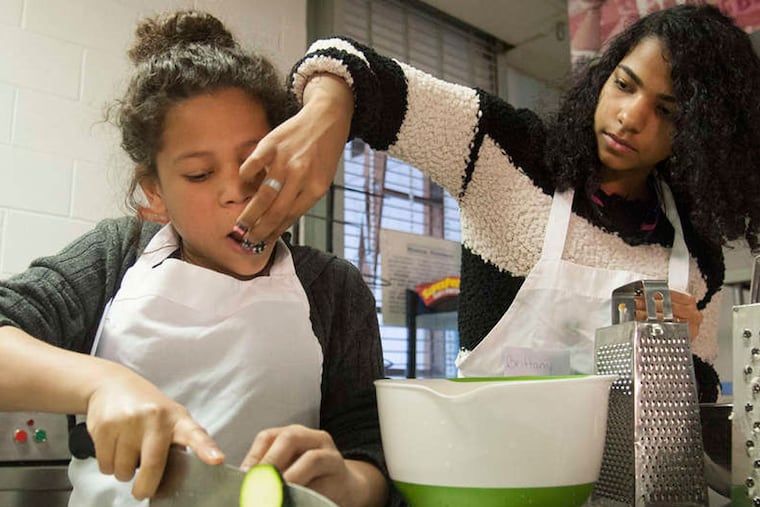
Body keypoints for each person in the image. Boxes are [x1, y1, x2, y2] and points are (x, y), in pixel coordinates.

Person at [232, 4, 760, 398]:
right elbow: (350, 63)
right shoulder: (506, 155)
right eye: (625, 84)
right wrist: (329, 110)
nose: (631, 116)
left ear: (699, 132)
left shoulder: (694, 256)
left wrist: (674, 354)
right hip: (489, 471)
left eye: (665, 111)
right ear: (605, 75)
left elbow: (702, 398)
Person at [0, 10, 395, 507]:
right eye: (199, 174)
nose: (237, 191)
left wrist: (350, 483)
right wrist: (104, 384)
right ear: (155, 194)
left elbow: (372, 451)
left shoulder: (333, 289)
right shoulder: (114, 258)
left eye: (254, 161)